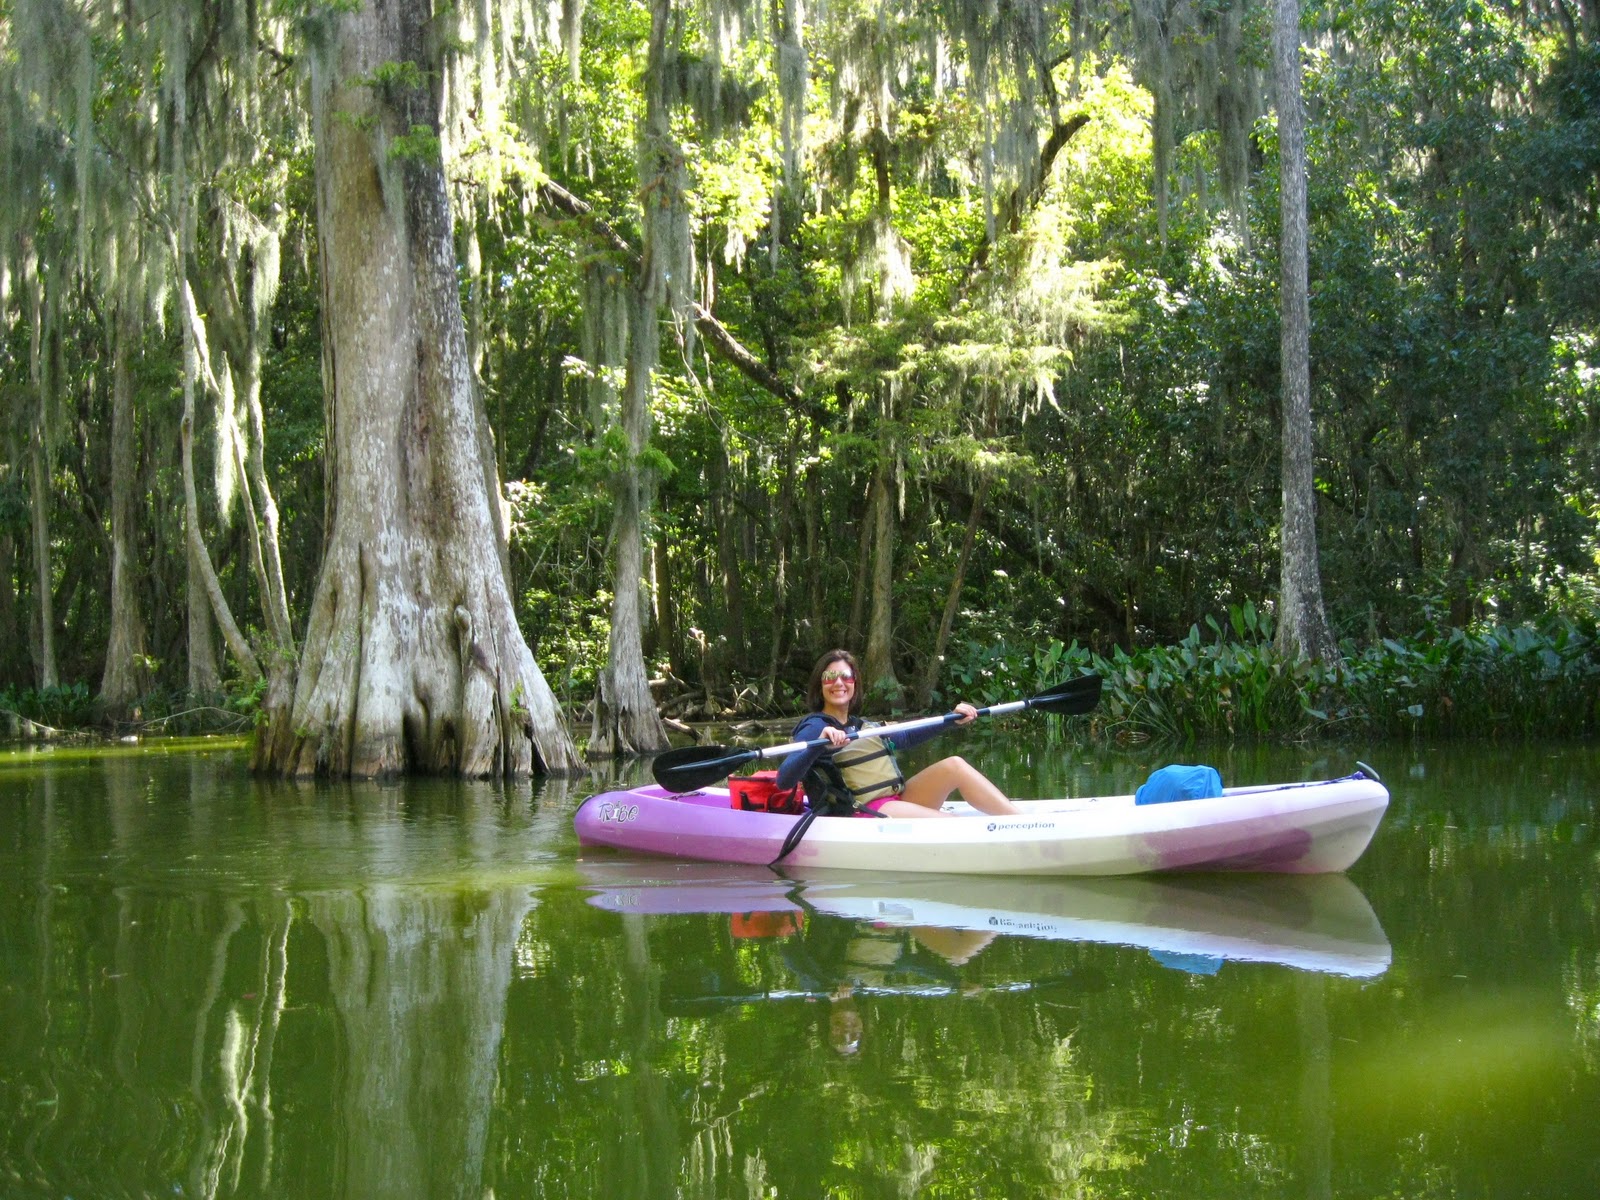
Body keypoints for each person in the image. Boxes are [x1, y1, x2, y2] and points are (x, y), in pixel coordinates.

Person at [773, 649, 1021, 818]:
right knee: (950, 822)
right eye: (830, 677)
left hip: (894, 801)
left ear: (855, 683)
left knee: (954, 765)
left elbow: (908, 736)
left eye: (846, 676)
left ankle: (1019, 823)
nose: (839, 683)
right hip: (863, 811)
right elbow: (784, 779)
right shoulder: (814, 726)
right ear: (821, 684)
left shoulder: (863, 725)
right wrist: (818, 744)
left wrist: (950, 719)